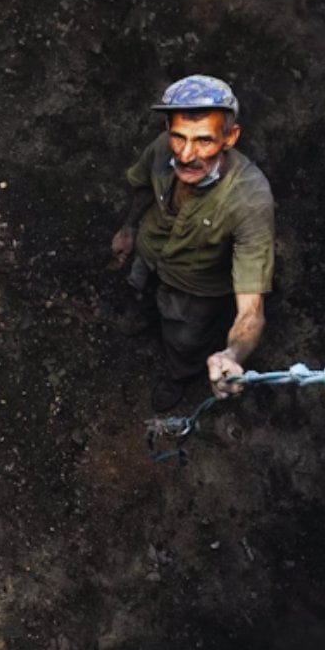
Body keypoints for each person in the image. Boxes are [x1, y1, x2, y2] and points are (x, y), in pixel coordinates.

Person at [111, 74, 275, 411]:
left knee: (185, 341)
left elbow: (251, 310)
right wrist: (128, 228)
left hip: (194, 289)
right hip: (150, 250)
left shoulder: (250, 199)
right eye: (179, 137)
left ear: (230, 137)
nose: (186, 154)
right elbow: (143, 187)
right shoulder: (161, 148)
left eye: (204, 140)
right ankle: (145, 316)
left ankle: (179, 376)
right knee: (141, 291)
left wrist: (233, 354)